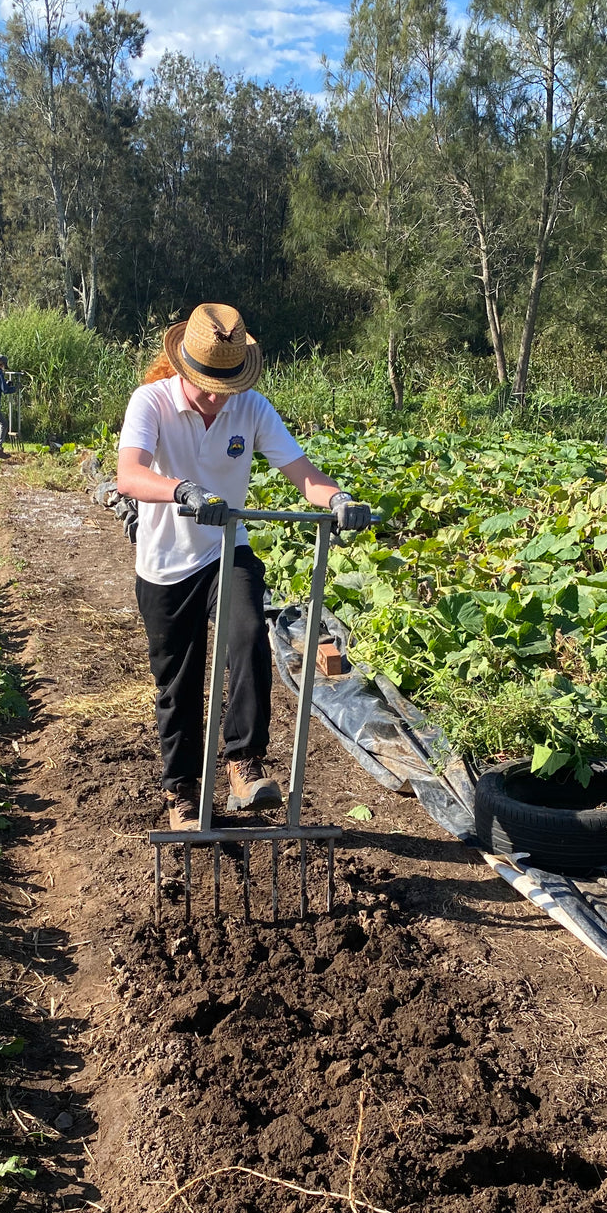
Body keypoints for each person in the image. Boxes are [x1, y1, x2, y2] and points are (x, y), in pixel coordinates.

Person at [116, 302, 371, 832]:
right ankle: (182, 794)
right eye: (208, 384)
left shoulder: (251, 408)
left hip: (224, 548)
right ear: (185, 368)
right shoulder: (152, 403)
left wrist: (338, 499)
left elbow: (299, 469)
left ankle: (243, 763)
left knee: (250, 633)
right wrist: (181, 490)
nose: (218, 396)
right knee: (177, 683)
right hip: (164, 563)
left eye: (227, 384)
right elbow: (129, 476)